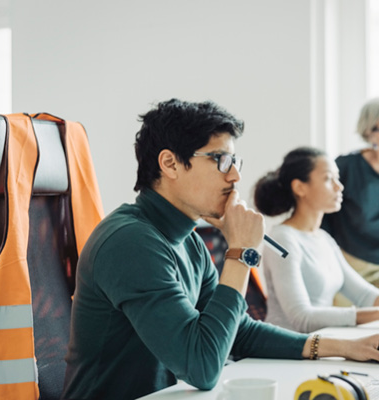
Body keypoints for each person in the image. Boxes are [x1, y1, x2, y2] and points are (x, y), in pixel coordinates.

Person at [62, 100, 379, 400]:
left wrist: (343, 347)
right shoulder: (130, 242)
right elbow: (201, 366)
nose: (235, 175)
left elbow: (239, 333)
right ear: (170, 163)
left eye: (235, 161)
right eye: (221, 160)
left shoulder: (188, 240)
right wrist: (241, 251)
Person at [253, 146, 379, 333]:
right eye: (329, 179)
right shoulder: (282, 239)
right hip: (286, 351)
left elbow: (365, 295)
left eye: (337, 178)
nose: (339, 186)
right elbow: (302, 318)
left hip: (319, 346)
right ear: (300, 188)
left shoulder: (324, 239)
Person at [322, 98, 379, 288]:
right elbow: (322, 215)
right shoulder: (346, 166)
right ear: (367, 132)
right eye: (376, 129)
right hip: (351, 264)